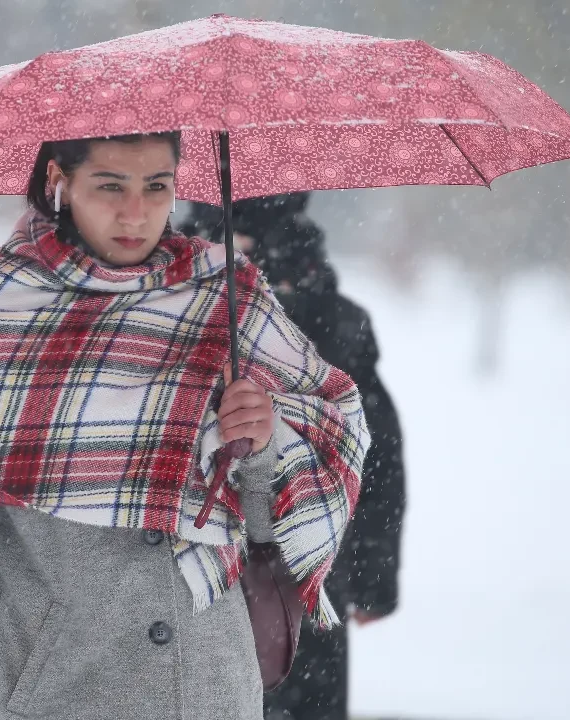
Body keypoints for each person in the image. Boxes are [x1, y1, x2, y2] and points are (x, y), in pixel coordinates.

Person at [0, 133, 372, 720]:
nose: (137, 212)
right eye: (110, 186)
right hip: (53, 690)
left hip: (206, 690)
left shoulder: (227, 300)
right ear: (61, 179)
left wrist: (262, 441)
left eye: (157, 186)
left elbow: (268, 526)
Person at [181, 194, 407, 720]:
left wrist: (375, 579)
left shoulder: (186, 290)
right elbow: (380, 453)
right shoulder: (331, 311)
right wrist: (374, 580)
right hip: (286, 551)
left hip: (282, 551)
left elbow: (373, 450)